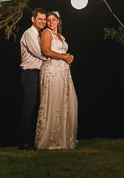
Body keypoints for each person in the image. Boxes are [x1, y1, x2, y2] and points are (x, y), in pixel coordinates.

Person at [35, 10, 77, 149]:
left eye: (53, 19)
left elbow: (62, 52)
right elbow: (46, 51)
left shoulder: (61, 36)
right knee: (53, 101)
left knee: (65, 102)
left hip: (63, 72)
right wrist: (64, 57)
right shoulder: (47, 33)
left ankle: (63, 138)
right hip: (52, 71)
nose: (51, 22)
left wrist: (69, 57)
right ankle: (51, 139)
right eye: (48, 20)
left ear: (58, 21)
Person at [19, 8, 47, 150]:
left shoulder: (40, 34)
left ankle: (34, 140)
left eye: (44, 19)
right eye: (40, 19)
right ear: (33, 19)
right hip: (30, 73)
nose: (43, 21)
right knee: (29, 107)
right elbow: (40, 53)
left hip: (39, 73)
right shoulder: (29, 34)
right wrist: (58, 58)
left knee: (38, 108)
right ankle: (24, 141)